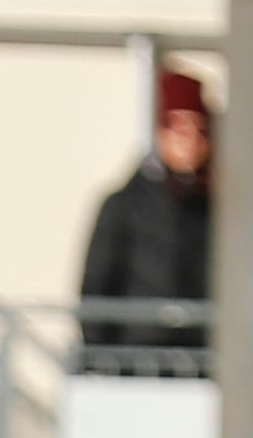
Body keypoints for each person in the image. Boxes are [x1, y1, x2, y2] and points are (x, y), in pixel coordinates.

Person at [79, 71, 214, 366]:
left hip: (200, 364)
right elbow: (96, 286)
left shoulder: (217, 209)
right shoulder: (123, 205)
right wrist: (102, 360)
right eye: (178, 126)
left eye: (199, 128)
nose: (189, 140)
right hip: (135, 362)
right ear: (159, 132)